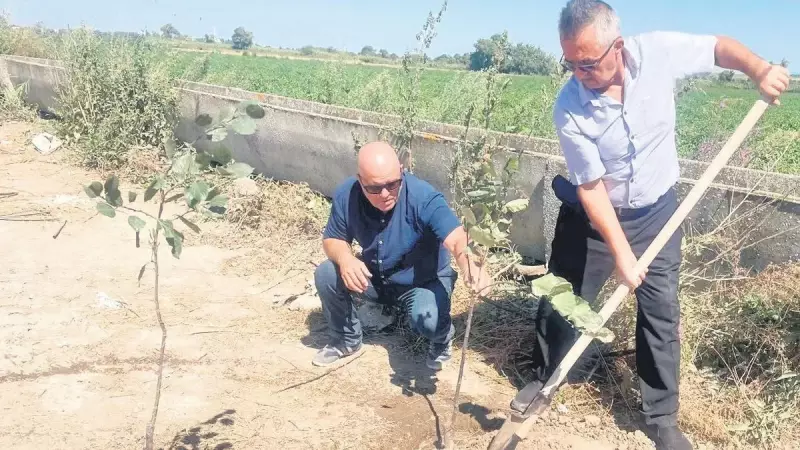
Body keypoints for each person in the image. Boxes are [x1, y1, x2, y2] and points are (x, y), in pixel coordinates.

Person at [510, 1, 790, 449]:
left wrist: (758, 68)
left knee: (660, 312)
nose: (578, 73)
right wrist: (621, 252)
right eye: (570, 63)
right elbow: (592, 187)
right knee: (563, 297)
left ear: (616, 47)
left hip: (658, 210)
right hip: (593, 219)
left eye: (587, 63)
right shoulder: (570, 107)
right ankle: (546, 376)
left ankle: (661, 417)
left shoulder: (658, 51)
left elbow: (718, 48)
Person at [312, 141, 490, 370]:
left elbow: (456, 238)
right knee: (327, 273)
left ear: (401, 172)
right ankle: (346, 340)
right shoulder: (347, 194)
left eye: (393, 184)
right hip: (375, 278)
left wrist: (470, 266)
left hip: (421, 283)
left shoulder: (423, 197)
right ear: (360, 180)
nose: (385, 194)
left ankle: (441, 337)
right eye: (375, 188)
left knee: (428, 320)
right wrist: (346, 258)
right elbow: (333, 239)